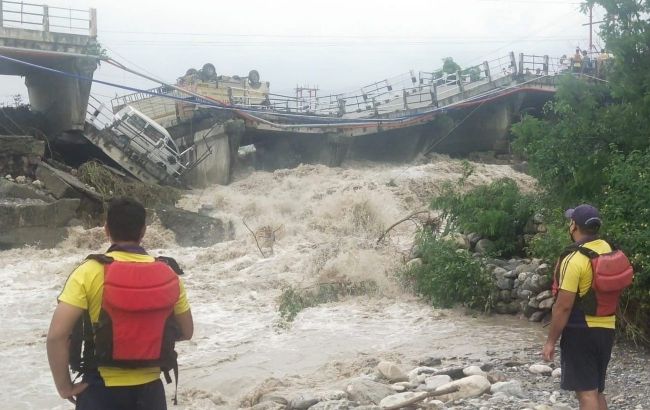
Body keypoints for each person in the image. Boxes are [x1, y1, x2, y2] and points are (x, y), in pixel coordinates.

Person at [47, 198, 193, 410]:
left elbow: (56, 336)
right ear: (143, 231)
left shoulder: (89, 271)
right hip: (150, 391)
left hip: (99, 391)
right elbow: (187, 332)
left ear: (106, 230)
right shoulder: (168, 274)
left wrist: (64, 387)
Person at [542, 204, 630, 410]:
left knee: (586, 394)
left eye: (570, 221)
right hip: (607, 329)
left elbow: (563, 307)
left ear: (574, 225)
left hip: (581, 331)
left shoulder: (574, 259)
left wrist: (550, 342)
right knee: (597, 390)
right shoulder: (608, 249)